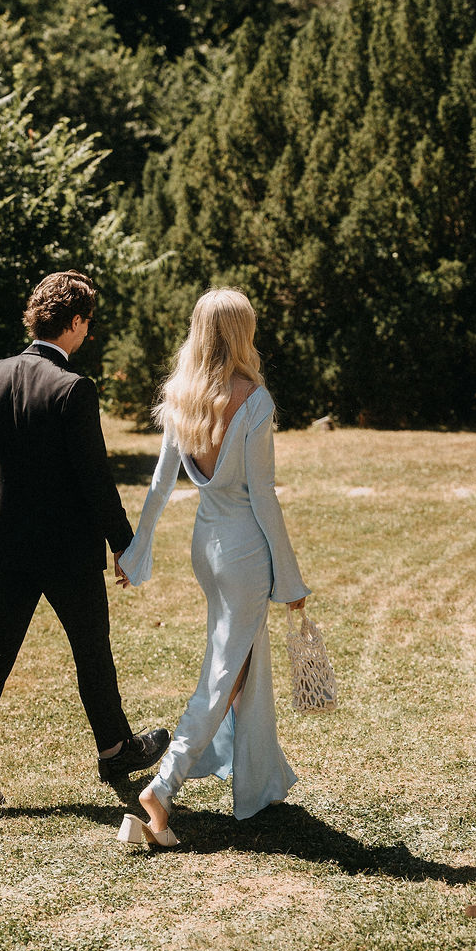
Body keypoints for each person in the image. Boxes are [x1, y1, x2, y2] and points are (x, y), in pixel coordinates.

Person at [0, 269, 169, 817]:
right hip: (67, 549)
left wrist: (3, 507)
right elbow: (95, 478)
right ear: (73, 323)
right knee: (92, 650)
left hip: (9, 546)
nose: (88, 335)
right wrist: (126, 544)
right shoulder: (73, 387)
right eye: (86, 324)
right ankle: (116, 752)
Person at [115, 288, 310, 847]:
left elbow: (158, 486)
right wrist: (291, 579)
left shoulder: (183, 395)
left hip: (206, 544)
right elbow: (264, 498)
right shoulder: (254, 400)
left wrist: (137, 551)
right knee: (224, 672)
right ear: (242, 332)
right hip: (244, 548)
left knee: (242, 662)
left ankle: (260, 780)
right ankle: (165, 783)